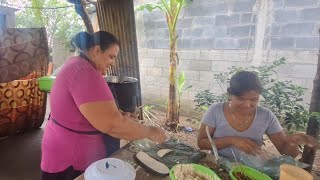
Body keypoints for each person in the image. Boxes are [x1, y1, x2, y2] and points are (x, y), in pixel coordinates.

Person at [41, 31, 166, 180]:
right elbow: (113, 126)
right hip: (70, 159)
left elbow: (92, 110)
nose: (113, 62)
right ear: (97, 50)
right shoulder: (84, 72)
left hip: (62, 147)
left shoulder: (77, 64)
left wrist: (119, 114)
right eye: (111, 56)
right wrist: (150, 131)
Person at [197, 71, 315, 160]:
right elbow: (201, 143)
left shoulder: (266, 116)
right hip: (219, 164)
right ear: (229, 95)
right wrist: (232, 140)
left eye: (254, 99)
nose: (247, 105)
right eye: (241, 99)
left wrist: (292, 142)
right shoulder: (215, 111)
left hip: (251, 170)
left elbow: (289, 153)